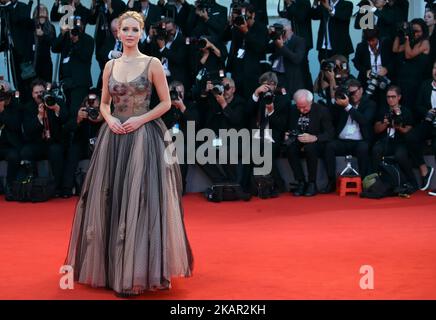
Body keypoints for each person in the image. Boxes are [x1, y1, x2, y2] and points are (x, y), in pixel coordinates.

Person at [65, 11, 193, 298]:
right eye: (125, 29)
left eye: (135, 29)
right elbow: (105, 104)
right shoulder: (110, 65)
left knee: (141, 200)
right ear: (118, 33)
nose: (130, 34)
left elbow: (166, 103)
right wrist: (108, 120)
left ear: (142, 32)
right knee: (111, 197)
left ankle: (141, 270)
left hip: (144, 137)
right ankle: (112, 270)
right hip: (114, 137)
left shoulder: (152, 63)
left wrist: (141, 119)